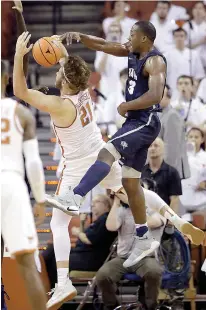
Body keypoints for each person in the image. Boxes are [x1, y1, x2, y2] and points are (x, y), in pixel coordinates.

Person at [13, 31, 124, 310]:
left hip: (77, 167)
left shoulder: (59, 105)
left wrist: (18, 56)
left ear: (64, 79)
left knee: (58, 224)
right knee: (127, 191)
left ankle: (63, 282)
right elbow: (65, 60)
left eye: (60, 71)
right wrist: (58, 44)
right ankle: (167, 216)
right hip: (102, 155)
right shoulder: (83, 90)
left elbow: (20, 92)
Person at [49, 20, 167, 270]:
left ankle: (75, 195)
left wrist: (127, 106)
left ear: (145, 38)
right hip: (135, 120)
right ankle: (143, 236)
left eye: (133, 33)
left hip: (146, 120)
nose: (129, 36)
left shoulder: (155, 61)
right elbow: (104, 45)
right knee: (130, 182)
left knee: (107, 151)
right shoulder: (133, 50)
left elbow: (156, 95)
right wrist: (79, 35)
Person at [1, 60, 47, 310]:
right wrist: (40, 199)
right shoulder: (21, 113)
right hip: (11, 182)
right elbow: (33, 165)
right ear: (7, 78)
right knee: (27, 266)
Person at [69, 194, 117, 272]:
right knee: (53, 252)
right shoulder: (99, 221)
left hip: (90, 259)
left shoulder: (105, 219)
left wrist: (78, 233)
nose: (92, 205)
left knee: (57, 261)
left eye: (96, 202)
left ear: (106, 205)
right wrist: (82, 222)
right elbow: (84, 237)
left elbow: (88, 240)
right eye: (92, 203)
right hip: (84, 254)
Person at [142, 137, 182, 212]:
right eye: (150, 146)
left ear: (163, 149)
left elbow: (174, 200)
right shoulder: (140, 172)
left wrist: (171, 221)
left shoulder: (172, 172)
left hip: (164, 216)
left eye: (156, 145)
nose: (152, 148)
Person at [159, 84, 190, 179]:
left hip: (170, 172)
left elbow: (171, 149)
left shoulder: (172, 116)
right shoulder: (160, 114)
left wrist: (164, 174)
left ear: (168, 97)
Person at [165, 28, 205, 92]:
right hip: (172, 89)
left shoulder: (193, 54)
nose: (179, 38)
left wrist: (194, 88)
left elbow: (199, 75)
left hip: (189, 90)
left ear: (186, 37)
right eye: (176, 36)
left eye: (181, 36)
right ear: (173, 38)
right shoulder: (166, 55)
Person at [180, 127, 206, 214]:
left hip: (201, 201)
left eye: (196, 137)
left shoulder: (204, 156)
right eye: (190, 137)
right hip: (183, 199)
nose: (193, 139)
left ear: (202, 139)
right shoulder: (181, 156)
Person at [183, 1, 206, 72]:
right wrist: (201, 42)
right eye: (195, 8)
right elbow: (184, 46)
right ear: (192, 10)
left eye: (200, 8)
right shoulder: (186, 26)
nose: (198, 11)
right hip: (190, 60)